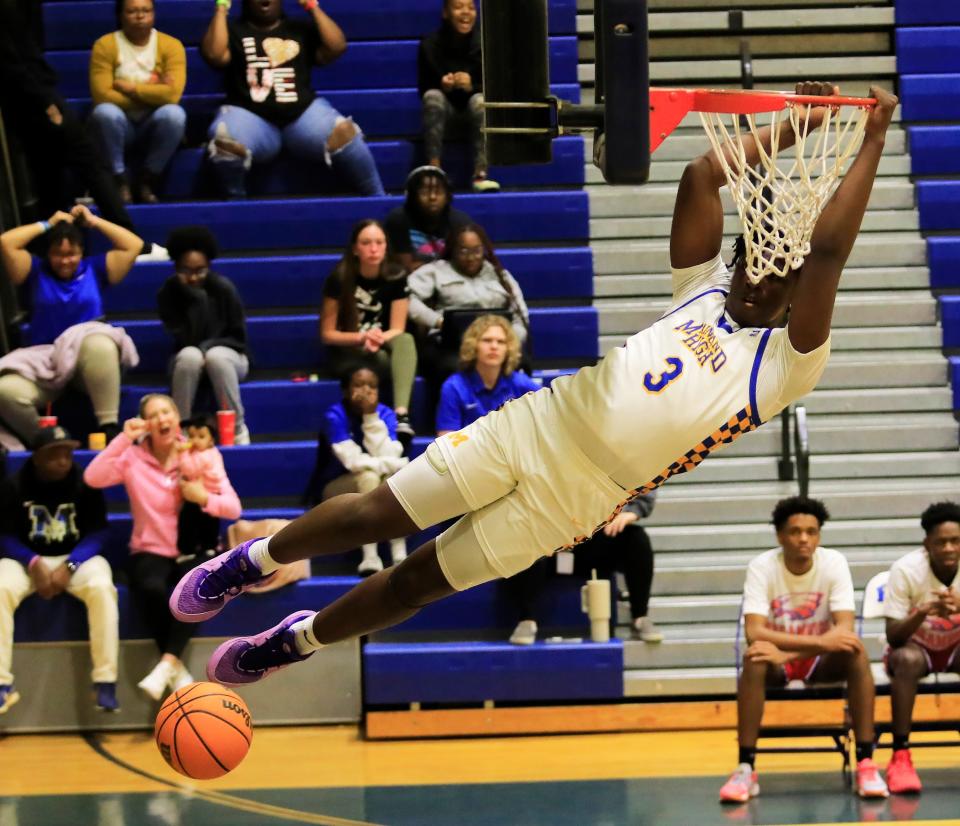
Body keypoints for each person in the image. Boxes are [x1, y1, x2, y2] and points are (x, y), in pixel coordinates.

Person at [168, 82, 898, 702]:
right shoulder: (702, 290)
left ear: (795, 295)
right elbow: (703, 175)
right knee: (376, 509)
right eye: (754, 253)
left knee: (414, 584)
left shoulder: (787, 365)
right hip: (535, 425)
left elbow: (829, 251)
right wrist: (808, 119)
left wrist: (869, 140)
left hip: (579, 496)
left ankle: (294, 641)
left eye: (778, 268)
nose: (758, 267)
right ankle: (250, 562)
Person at [718, 496, 887, 802]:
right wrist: (819, 643)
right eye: (795, 532)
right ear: (780, 536)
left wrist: (791, 653)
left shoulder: (834, 562)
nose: (804, 538)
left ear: (819, 535)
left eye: (811, 531)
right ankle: (746, 767)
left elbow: (844, 630)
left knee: (856, 650)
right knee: (754, 657)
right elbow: (754, 631)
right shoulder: (762, 566)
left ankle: (866, 762)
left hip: (813, 661)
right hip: (776, 662)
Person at [84, 394, 241, 701]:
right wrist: (123, 439)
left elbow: (233, 508)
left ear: (176, 416)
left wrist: (203, 498)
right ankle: (176, 668)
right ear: (146, 424)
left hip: (193, 549)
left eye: (167, 411)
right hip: (150, 549)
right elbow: (93, 477)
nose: (162, 418)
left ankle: (166, 664)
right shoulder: (132, 458)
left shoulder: (201, 452)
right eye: (154, 415)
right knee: (152, 587)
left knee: (195, 589)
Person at [0, 1, 166, 260]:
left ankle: (51, 250)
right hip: (34, 97)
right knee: (88, 163)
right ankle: (133, 244)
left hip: (30, 95)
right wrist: (46, 102)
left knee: (49, 177)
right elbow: (10, 61)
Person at [201, 0, 384, 199]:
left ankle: (378, 198)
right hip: (252, 118)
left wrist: (312, 6)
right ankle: (234, 203)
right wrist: (221, 7)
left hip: (302, 117)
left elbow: (337, 46)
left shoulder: (299, 29)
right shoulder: (234, 30)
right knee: (224, 141)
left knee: (344, 132)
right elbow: (215, 55)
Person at [0, 205, 142, 447]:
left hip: (88, 364)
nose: (65, 261)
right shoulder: (34, 272)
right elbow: (6, 242)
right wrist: (48, 223)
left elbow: (134, 245)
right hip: (46, 364)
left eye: (72, 253)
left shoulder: (95, 269)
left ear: (82, 252)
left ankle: (109, 428)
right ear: (48, 254)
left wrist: (93, 221)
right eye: (58, 254)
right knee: (4, 390)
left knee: (100, 342)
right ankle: (49, 440)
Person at [0, 425, 119, 713]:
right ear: (38, 457)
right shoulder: (15, 486)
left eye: (67, 453)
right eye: (55, 455)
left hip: (76, 558)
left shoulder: (85, 482)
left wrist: (71, 563)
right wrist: (32, 561)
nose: (64, 460)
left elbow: (99, 532)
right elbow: (4, 535)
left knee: (103, 588)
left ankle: (105, 681)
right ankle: (2, 686)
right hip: (27, 560)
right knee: (0, 587)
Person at [882, 501, 960, 795]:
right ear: (927, 544)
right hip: (917, 648)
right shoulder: (905, 569)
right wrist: (921, 612)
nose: (950, 548)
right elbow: (893, 636)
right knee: (907, 660)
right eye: (941, 542)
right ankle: (900, 755)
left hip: (955, 648)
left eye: (956, 541)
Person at [320, 220, 417, 438]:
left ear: (386, 246)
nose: (374, 249)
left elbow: (397, 328)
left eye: (379, 242)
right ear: (355, 248)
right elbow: (327, 334)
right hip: (349, 350)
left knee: (406, 339)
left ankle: (402, 414)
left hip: (380, 345)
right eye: (366, 243)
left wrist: (377, 338)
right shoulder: (340, 278)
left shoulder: (397, 276)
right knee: (382, 359)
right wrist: (362, 337)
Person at [157, 226, 251, 445]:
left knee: (216, 356)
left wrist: (207, 347)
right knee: (190, 355)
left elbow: (238, 338)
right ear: (175, 267)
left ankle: (236, 430)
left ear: (209, 266)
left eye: (200, 270)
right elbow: (184, 338)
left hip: (230, 357)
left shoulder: (223, 288)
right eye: (185, 270)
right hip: (188, 359)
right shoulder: (169, 292)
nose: (193, 277)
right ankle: (180, 430)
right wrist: (196, 299)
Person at [88, 0, 188, 204]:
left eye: (146, 10)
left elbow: (172, 96)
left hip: (153, 123)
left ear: (154, 14)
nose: (140, 16)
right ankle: (120, 180)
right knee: (104, 112)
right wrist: (154, 90)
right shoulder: (105, 45)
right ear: (121, 15)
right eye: (132, 11)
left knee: (174, 114)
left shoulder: (171, 45)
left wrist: (130, 88)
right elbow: (102, 96)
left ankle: (147, 180)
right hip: (120, 123)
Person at [410, 224, 531, 393]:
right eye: (464, 251)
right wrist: (436, 321)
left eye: (476, 250)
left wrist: (509, 340)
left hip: (494, 343)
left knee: (522, 362)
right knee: (449, 368)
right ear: (453, 250)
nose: (471, 257)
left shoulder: (500, 275)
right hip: (448, 346)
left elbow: (521, 316)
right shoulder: (435, 271)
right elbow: (407, 300)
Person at [316, 367, 409, 576]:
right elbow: (353, 462)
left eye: (372, 386)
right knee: (370, 475)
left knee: (389, 476)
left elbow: (391, 453)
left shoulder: (384, 413)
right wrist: (394, 464)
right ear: (346, 390)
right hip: (336, 487)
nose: (366, 391)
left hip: (376, 483)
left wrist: (370, 417)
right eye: (359, 385)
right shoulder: (335, 415)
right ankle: (370, 554)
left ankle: (399, 552)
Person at [418, 0, 498, 192]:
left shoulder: (487, 45)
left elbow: (498, 90)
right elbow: (423, 90)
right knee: (432, 97)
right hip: (446, 116)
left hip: (476, 113)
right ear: (446, 13)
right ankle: (435, 171)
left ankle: (480, 174)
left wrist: (472, 86)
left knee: (480, 100)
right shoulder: (429, 45)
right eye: (459, 7)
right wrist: (442, 85)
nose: (466, 13)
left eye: (471, 7)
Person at [435, 314, 537, 436]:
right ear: (473, 345)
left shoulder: (520, 383)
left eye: (501, 342)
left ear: (508, 348)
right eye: (487, 340)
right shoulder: (454, 387)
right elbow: (446, 441)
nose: (494, 346)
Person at [383, 166, 472, 273]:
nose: (433, 197)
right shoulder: (398, 220)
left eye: (438, 192)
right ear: (412, 196)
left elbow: (465, 264)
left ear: (447, 196)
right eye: (425, 192)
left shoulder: (460, 221)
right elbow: (405, 268)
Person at [176, 415, 229, 559]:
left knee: (210, 523)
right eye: (192, 436)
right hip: (193, 497)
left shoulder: (211, 454)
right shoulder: (190, 453)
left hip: (210, 495)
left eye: (201, 436)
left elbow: (192, 470)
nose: (195, 440)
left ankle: (210, 545)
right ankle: (188, 548)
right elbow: (186, 470)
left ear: (211, 439)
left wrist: (183, 456)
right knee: (188, 522)